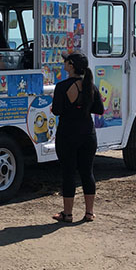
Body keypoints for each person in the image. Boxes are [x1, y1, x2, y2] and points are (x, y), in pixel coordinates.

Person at [51, 51, 103, 223]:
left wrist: (57, 109)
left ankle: (67, 214)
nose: (64, 63)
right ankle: (89, 212)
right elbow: (100, 110)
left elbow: (57, 110)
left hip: (67, 133)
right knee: (87, 172)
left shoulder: (62, 87)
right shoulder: (90, 86)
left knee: (68, 173)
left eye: (66, 61)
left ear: (71, 65)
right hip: (88, 134)